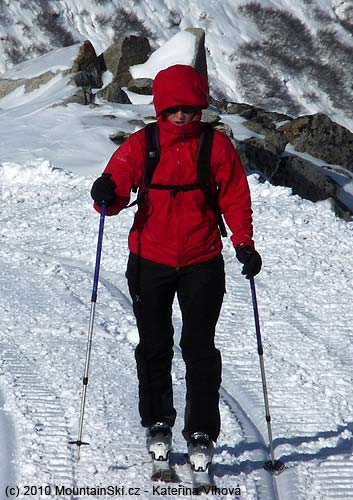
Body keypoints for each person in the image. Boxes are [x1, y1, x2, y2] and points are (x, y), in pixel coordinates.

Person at [90, 64, 262, 471]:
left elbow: (235, 197)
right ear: (160, 109)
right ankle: (157, 424)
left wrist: (244, 244)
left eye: (188, 107)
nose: (181, 115)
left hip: (202, 260)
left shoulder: (216, 146)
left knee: (199, 348)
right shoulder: (141, 144)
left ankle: (201, 430)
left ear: (200, 106)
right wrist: (105, 193)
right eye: (173, 108)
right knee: (154, 346)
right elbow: (112, 193)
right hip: (150, 258)